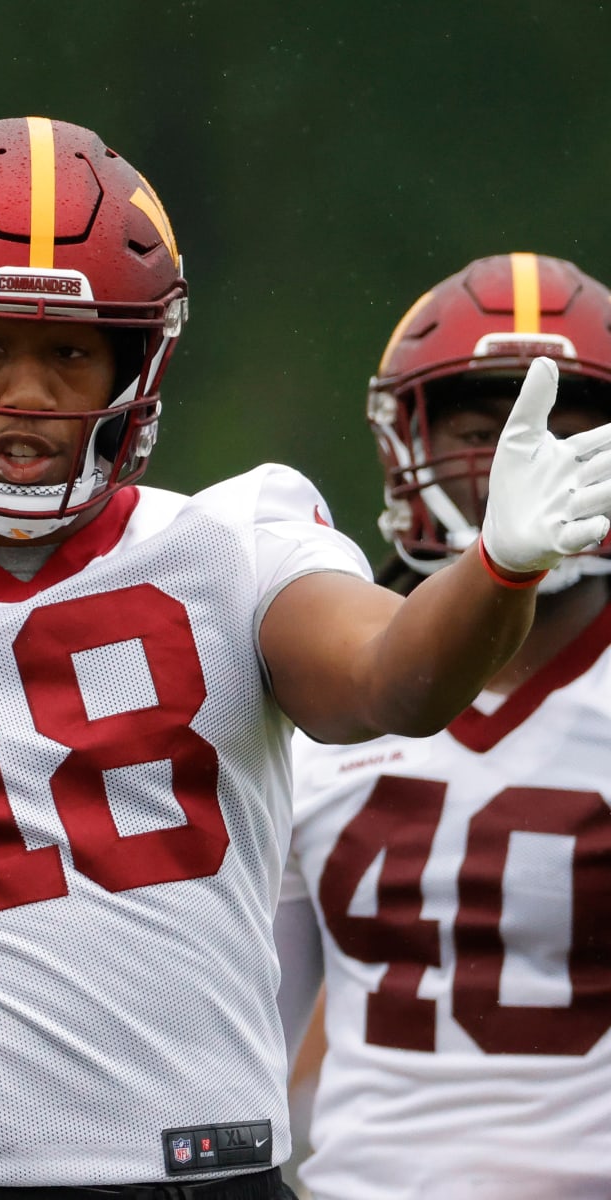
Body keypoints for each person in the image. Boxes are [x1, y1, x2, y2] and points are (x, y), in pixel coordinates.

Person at [0, 119, 611, 1199]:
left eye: (70, 352)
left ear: (137, 362)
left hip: (226, 1177)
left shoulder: (237, 542)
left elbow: (391, 685)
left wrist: (497, 571)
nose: (28, 391)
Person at [275, 252, 611, 1199]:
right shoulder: (324, 688)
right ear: (406, 441)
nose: (523, 465)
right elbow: (235, 1020)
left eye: (567, 432)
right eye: (482, 431)